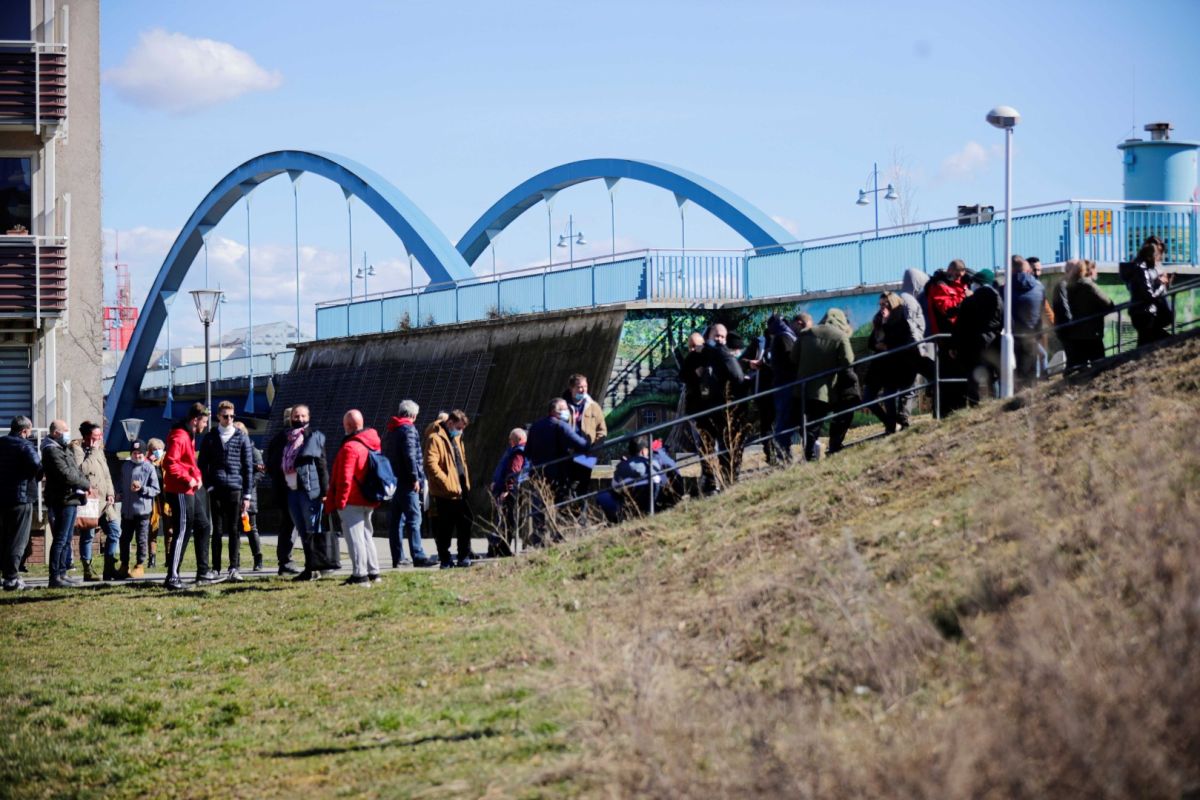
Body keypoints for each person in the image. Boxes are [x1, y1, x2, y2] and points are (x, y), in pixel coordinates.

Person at [679, 323, 746, 492]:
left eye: (723, 336)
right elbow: (683, 375)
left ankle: (728, 480)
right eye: (717, 336)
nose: (720, 340)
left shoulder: (723, 354)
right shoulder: (698, 355)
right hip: (702, 410)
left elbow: (737, 377)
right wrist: (695, 374)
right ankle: (711, 482)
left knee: (725, 446)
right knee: (707, 447)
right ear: (708, 336)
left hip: (722, 409)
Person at [198, 401, 255, 582]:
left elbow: (248, 467)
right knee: (217, 529)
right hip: (216, 488)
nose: (229, 419)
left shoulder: (241, 437)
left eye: (231, 416)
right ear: (218, 417)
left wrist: (247, 494)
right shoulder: (210, 437)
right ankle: (215, 568)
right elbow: (202, 465)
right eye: (225, 416)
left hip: (235, 489)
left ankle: (234, 567)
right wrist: (209, 486)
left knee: (234, 529)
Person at [325, 410, 383, 586]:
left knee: (355, 538)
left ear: (347, 425)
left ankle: (360, 575)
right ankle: (374, 572)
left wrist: (340, 502)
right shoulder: (373, 443)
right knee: (366, 536)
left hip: (352, 500)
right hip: (368, 498)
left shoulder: (350, 447)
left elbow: (344, 478)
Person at [162, 403, 214, 590]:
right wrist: (188, 479)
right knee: (182, 531)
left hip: (189, 489)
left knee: (204, 525)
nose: (206, 426)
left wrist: (197, 476)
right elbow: (169, 463)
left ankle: (203, 571)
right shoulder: (179, 436)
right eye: (204, 422)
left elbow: (190, 462)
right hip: (180, 490)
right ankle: (172, 577)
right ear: (195, 420)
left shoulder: (189, 435)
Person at [793, 309, 856, 460]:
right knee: (815, 424)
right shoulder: (840, 336)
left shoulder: (805, 334)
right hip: (823, 390)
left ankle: (811, 453)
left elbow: (793, 358)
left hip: (801, 388)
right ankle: (812, 455)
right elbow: (848, 361)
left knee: (805, 423)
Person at [383, 399, 437, 568]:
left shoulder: (392, 430)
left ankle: (398, 557)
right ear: (412, 415)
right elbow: (410, 455)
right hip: (407, 481)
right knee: (414, 518)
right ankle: (418, 556)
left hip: (394, 481)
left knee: (396, 522)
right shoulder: (409, 429)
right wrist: (415, 478)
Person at [281, 404, 332, 581]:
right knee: (303, 532)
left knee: (312, 529)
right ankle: (310, 566)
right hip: (292, 491)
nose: (300, 419)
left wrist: (325, 491)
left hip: (309, 491)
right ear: (291, 417)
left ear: (308, 417)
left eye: (303, 416)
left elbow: (321, 463)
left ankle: (316, 567)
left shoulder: (313, 437)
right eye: (296, 416)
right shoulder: (287, 439)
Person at [71, 421, 121, 581]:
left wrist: (111, 493)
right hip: (90, 499)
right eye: (96, 436)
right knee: (88, 535)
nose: (100, 439)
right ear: (87, 437)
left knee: (114, 531)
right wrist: (92, 450)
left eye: (100, 435)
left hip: (105, 501)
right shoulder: (77, 449)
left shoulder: (99, 450)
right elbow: (81, 470)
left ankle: (109, 567)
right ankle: (88, 569)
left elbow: (106, 474)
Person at [41, 420, 89, 588]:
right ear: (56, 433)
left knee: (67, 538)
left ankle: (62, 572)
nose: (68, 433)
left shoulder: (63, 449)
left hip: (71, 497)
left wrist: (84, 483)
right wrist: (86, 485)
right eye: (65, 430)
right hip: (62, 499)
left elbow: (75, 470)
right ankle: (55, 576)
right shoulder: (51, 451)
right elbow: (67, 475)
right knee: (60, 539)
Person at [424, 409, 474, 569]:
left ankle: (463, 556)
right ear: (450, 423)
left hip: (461, 491)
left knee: (465, 523)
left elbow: (461, 461)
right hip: (445, 493)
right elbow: (431, 465)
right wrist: (448, 484)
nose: (460, 432)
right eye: (458, 428)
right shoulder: (435, 438)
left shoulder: (458, 439)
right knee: (445, 528)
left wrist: (464, 483)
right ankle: (445, 559)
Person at [0, 416, 41, 591]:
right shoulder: (25, 445)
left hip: (1, 498)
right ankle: (11, 578)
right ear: (24, 431)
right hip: (21, 498)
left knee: (3, 538)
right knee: (18, 539)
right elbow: (37, 466)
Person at [951, 269, 1003, 406]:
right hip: (993, 343)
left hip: (972, 345)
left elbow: (959, 326)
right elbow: (1003, 321)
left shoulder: (969, 301)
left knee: (974, 377)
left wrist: (954, 345)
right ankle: (995, 403)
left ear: (979, 283)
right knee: (992, 377)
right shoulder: (998, 299)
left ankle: (975, 404)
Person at [526, 398, 590, 504]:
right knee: (560, 504)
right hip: (557, 475)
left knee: (538, 507)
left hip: (537, 473)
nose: (568, 412)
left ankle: (539, 521)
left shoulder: (535, 426)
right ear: (556, 411)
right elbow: (582, 445)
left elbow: (528, 451)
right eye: (565, 409)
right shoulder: (561, 426)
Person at [265, 406, 300, 575]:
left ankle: (284, 559)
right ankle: (286, 559)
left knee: (287, 524)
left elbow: (270, 465)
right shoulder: (295, 439)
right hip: (292, 488)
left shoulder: (276, 439)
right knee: (291, 524)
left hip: (280, 488)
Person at [1120, 236, 1174, 347]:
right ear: (1151, 255)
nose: (1160, 258)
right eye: (1158, 254)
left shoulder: (1142, 267)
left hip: (1145, 312)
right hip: (1145, 312)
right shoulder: (1141, 269)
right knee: (1150, 342)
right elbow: (1148, 294)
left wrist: (1161, 284)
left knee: (1146, 342)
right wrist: (1162, 285)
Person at [1061, 259, 1114, 369]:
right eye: (1096, 270)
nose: (1097, 273)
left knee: (1081, 371)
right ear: (1090, 271)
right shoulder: (1089, 285)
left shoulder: (1069, 286)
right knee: (1099, 367)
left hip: (1076, 335)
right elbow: (1109, 304)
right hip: (1092, 334)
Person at [118, 440, 159, 579]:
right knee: (124, 539)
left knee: (141, 539)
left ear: (145, 453)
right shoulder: (125, 467)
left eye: (140, 453)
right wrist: (119, 493)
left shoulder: (149, 468)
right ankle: (124, 565)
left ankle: (139, 565)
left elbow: (156, 490)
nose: (137, 455)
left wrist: (142, 488)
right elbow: (121, 484)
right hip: (127, 510)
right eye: (134, 453)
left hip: (142, 511)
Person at [563, 374, 607, 497]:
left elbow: (602, 430)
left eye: (585, 386)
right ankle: (566, 514)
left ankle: (580, 514)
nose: (583, 390)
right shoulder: (562, 406)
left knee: (583, 487)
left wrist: (595, 449)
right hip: (567, 455)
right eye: (579, 387)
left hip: (587, 454)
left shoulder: (593, 406)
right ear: (571, 388)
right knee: (567, 488)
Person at [233, 421, 265, 572]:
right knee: (234, 529)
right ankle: (235, 561)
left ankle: (258, 558)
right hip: (233, 494)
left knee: (251, 528)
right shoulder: (231, 452)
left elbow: (260, 472)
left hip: (248, 496)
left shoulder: (254, 451)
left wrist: (247, 485)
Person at [766, 314, 798, 461]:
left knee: (785, 419)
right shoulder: (784, 337)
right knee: (784, 419)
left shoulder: (779, 337)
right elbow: (791, 359)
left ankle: (783, 452)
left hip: (782, 383)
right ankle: (783, 453)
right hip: (786, 383)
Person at [1010, 255, 1044, 384]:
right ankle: (1030, 400)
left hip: (1013, 336)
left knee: (1014, 375)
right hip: (1032, 335)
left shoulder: (1005, 289)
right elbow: (1040, 312)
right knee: (1030, 373)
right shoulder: (1039, 288)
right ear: (1029, 270)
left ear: (1012, 271)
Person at [490, 428, 528, 546]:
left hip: (507, 490)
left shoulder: (518, 452)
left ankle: (499, 548)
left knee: (503, 520)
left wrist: (506, 490)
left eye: (511, 439)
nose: (509, 441)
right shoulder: (516, 450)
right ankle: (498, 547)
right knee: (503, 520)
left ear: (519, 439)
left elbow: (513, 472)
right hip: (504, 488)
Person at [924, 259, 970, 336]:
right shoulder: (939, 286)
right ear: (949, 271)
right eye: (957, 275)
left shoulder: (956, 284)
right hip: (946, 333)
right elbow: (947, 309)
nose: (959, 278)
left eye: (961, 276)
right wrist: (965, 297)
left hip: (956, 330)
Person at [145, 437, 166, 568]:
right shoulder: (146, 463)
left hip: (165, 498)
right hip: (152, 499)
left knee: (169, 529)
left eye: (159, 449)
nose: (157, 451)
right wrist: (149, 464)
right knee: (153, 528)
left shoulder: (166, 461)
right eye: (154, 449)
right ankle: (152, 558)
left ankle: (169, 557)